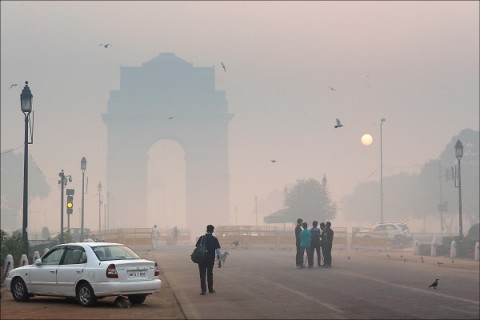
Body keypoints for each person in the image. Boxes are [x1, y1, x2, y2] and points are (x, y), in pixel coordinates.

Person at [195, 224, 222, 295]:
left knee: (202, 274)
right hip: (210, 259)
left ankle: (203, 290)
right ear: (212, 231)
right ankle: (210, 289)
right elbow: (218, 251)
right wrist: (219, 261)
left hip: (201, 259)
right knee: (210, 274)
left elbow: (197, 247)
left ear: (206, 230)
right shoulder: (214, 239)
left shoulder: (201, 238)